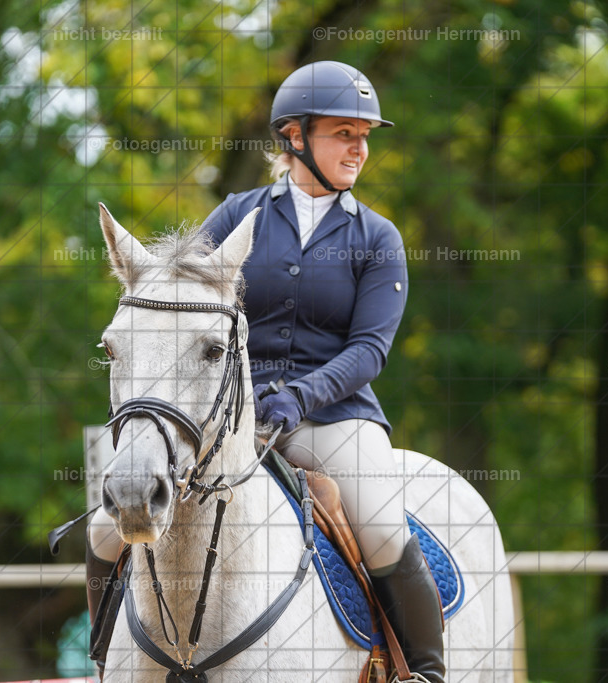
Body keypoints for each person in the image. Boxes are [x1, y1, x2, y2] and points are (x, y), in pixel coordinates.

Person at [200, 60, 445, 683]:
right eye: (344, 133)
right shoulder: (235, 216)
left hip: (334, 417)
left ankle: (426, 673)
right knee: (108, 523)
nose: (360, 149)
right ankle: (108, 660)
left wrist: (299, 396)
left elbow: (369, 349)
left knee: (384, 527)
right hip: (231, 415)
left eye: (365, 136)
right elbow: (185, 306)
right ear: (294, 136)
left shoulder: (378, 237)